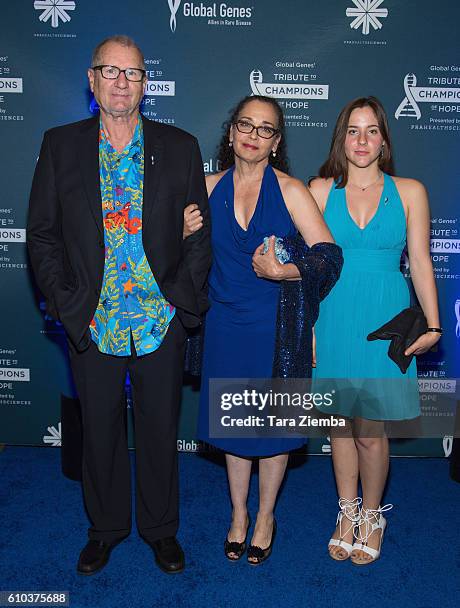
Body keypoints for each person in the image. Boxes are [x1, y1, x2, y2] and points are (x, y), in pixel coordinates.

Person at [27, 35, 211, 575]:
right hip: (94, 317)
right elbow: (41, 234)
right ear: (92, 79)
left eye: (131, 73)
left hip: (160, 319)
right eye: (110, 71)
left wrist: (181, 303)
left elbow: (199, 237)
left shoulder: (179, 146)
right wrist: (65, 303)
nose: (120, 82)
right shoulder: (61, 145)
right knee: (100, 431)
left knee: (159, 430)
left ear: (145, 84)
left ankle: (160, 531)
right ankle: (105, 529)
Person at [185, 95, 339, 564]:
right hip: (224, 325)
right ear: (231, 133)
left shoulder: (292, 191)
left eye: (265, 129)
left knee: (271, 433)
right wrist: (180, 230)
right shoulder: (207, 187)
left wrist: (284, 272)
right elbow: (169, 251)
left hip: (276, 329)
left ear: (276, 142)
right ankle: (237, 514)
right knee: (234, 427)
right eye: (245, 125)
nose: (253, 135)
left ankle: (266, 515)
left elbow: (329, 257)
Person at [309, 96, 441, 564]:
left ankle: (372, 514)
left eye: (371, 130)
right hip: (334, 313)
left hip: (385, 317)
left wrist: (434, 322)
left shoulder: (410, 191)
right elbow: (311, 268)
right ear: (341, 138)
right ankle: (346, 513)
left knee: (370, 429)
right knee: (340, 427)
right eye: (353, 130)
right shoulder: (321, 189)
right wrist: (308, 330)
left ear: (384, 139)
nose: (361, 140)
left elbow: (421, 261)